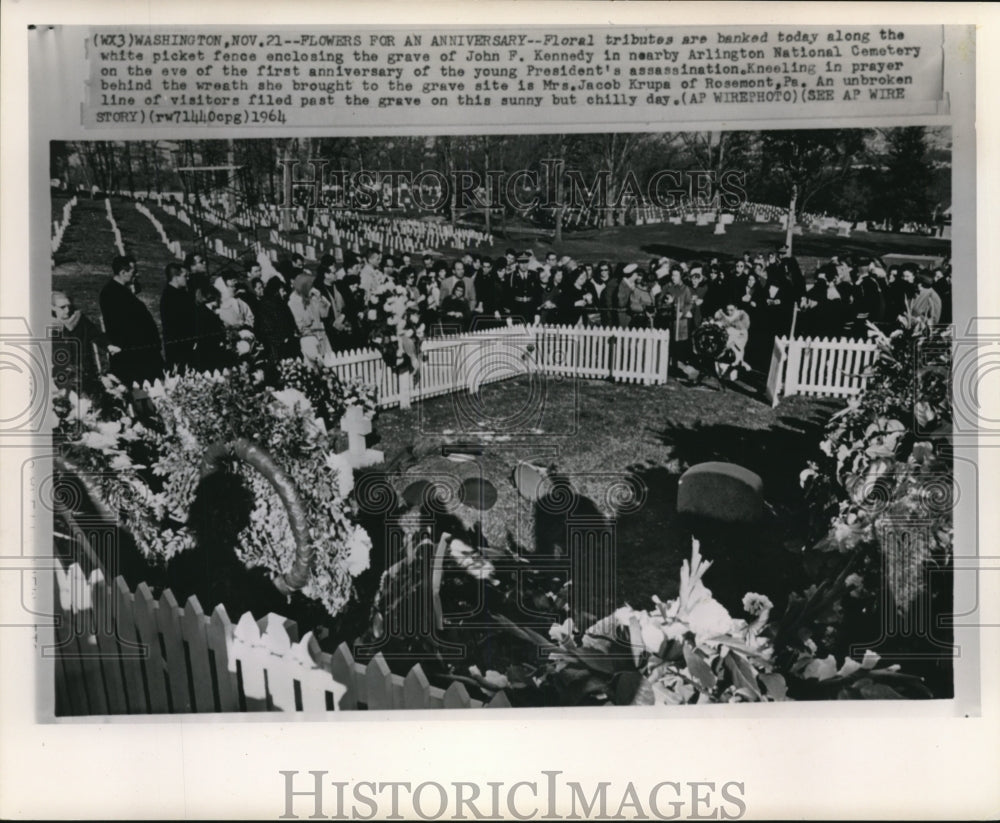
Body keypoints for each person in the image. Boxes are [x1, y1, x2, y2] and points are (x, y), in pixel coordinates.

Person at [99, 255, 164, 387]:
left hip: (140, 351)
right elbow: (124, 326)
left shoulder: (122, 291)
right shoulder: (111, 293)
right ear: (123, 273)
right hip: (133, 354)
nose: (137, 274)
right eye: (133, 272)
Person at [51, 291, 117, 394]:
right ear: (52, 308)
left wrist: (108, 345)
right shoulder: (45, 324)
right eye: (62, 307)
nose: (67, 310)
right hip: (58, 374)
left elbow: (96, 334)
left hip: (84, 370)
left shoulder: (78, 319)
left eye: (69, 306)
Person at [287, 268, 333, 363]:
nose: (311, 288)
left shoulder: (313, 297)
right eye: (309, 286)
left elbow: (324, 314)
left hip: (321, 335)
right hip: (309, 338)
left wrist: (320, 298)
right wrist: (306, 304)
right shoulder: (294, 301)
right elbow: (303, 323)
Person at [189, 275, 231, 373]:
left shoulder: (202, 312)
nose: (218, 302)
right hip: (209, 352)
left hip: (206, 351)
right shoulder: (206, 315)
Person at [160, 262, 197, 372]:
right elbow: (178, 323)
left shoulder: (180, 293)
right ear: (175, 277)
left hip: (185, 342)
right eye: (185, 276)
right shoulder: (170, 297)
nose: (188, 278)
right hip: (179, 345)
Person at [255, 277, 300, 363]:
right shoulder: (269, 306)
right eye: (282, 291)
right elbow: (268, 327)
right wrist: (284, 338)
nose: (285, 293)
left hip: (284, 342)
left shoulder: (279, 304)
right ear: (276, 291)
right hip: (278, 346)